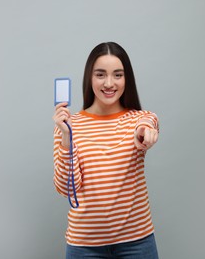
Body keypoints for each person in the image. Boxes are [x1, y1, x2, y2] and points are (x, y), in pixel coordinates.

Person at [52, 42, 160, 259]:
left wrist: (145, 133)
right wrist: (66, 136)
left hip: (137, 242)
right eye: (100, 74)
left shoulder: (140, 119)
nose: (109, 83)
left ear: (126, 79)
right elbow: (65, 188)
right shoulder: (69, 125)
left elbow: (147, 127)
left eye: (118, 75)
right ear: (89, 78)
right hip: (84, 246)